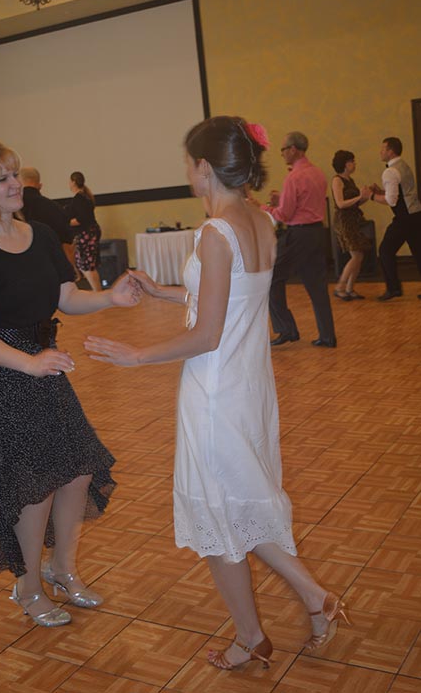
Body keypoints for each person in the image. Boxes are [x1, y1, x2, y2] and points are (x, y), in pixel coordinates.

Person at [85, 116, 349, 671]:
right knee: (238, 504)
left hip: (214, 392)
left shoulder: (214, 232)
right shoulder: (261, 221)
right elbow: (229, 298)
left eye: (189, 163)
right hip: (248, 386)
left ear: (205, 167)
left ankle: (262, 630)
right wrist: (162, 291)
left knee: (219, 515)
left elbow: (207, 333)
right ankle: (300, 606)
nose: (188, 172)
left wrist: (135, 355)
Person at [0, 140, 140, 628]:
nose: (16, 185)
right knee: (35, 489)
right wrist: (28, 364)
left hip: (46, 368)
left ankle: (61, 568)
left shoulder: (42, 236)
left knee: (78, 471)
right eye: (3, 178)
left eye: (15, 175)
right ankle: (28, 586)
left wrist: (110, 298)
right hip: (4, 379)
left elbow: (67, 299)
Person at [262, 132, 337, 348]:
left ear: (293, 149)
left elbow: (283, 215)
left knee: (271, 278)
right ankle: (327, 336)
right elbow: (306, 203)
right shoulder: (318, 173)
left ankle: (287, 329)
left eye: (283, 149)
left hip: (298, 236)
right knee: (317, 286)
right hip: (317, 233)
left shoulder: (293, 177)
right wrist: (282, 199)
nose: (282, 154)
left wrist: (262, 207)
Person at [369, 137, 421, 300]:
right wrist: (380, 192)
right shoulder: (404, 165)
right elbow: (401, 193)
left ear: (391, 151)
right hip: (416, 214)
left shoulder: (390, 171)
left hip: (404, 218)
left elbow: (391, 200)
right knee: (419, 252)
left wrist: (371, 196)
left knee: (385, 251)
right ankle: (394, 288)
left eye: (383, 148)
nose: (380, 152)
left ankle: (393, 289)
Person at [331, 150, 372, 300]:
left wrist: (366, 195)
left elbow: (356, 202)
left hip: (353, 220)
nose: (354, 164)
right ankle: (340, 287)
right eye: (351, 161)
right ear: (344, 164)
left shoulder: (350, 180)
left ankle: (349, 288)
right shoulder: (337, 180)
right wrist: (359, 197)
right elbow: (340, 204)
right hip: (344, 221)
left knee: (359, 255)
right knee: (356, 255)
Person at [20, 166, 75, 268]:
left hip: (20, 266)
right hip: (51, 266)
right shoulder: (56, 208)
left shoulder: (12, 210)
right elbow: (67, 246)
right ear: (39, 185)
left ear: (18, 182)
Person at [69, 172, 102, 291]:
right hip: (90, 233)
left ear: (73, 182)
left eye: (69, 181)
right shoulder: (84, 197)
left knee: (87, 266)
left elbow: (81, 219)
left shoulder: (79, 198)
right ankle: (97, 292)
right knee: (86, 265)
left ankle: (98, 293)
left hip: (86, 234)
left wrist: (65, 222)